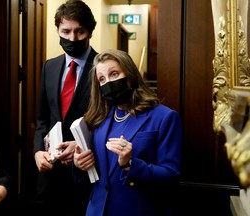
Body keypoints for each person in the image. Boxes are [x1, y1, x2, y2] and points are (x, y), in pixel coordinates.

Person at [73, 49, 183, 216]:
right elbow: (96, 171)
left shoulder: (165, 117)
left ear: (131, 76)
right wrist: (79, 164)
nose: (108, 83)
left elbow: (171, 177)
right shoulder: (98, 118)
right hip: (97, 211)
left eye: (114, 74)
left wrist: (130, 164)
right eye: (102, 79)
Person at [32, 0, 97, 215]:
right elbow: (42, 119)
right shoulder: (49, 67)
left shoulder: (103, 68)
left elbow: (109, 121)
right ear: (58, 31)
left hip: (86, 174)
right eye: (66, 31)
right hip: (49, 175)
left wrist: (81, 145)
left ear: (90, 31)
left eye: (79, 31)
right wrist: (37, 152)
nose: (72, 38)